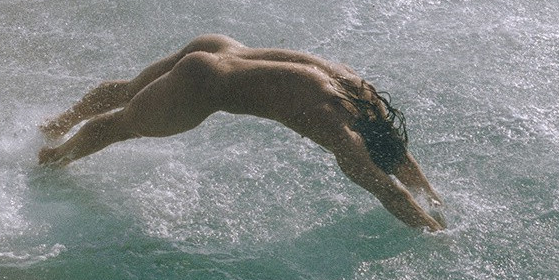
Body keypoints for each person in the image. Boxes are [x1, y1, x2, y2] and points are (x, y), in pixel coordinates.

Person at [39, 35, 445, 230]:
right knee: (123, 125)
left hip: (218, 46)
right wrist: (433, 229)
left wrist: (432, 195)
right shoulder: (339, 130)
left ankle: (61, 121)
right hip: (202, 85)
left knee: (131, 91)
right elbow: (385, 187)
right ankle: (55, 159)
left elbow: (397, 154)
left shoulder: (363, 93)